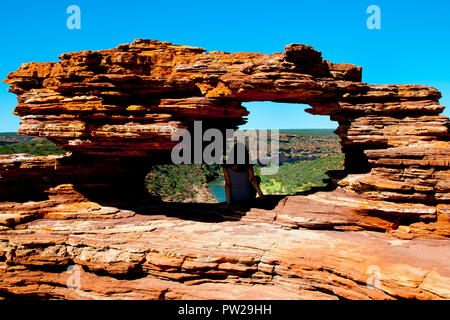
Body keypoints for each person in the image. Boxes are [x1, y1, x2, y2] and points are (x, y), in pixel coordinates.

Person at [223, 142, 264, 212]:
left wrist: (228, 203)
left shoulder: (226, 166)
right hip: (247, 197)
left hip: (234, 199)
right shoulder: (248, 164)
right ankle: (253, 198)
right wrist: (261, 195)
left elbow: (227, 185)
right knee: (257, 178)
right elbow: (252, 179)